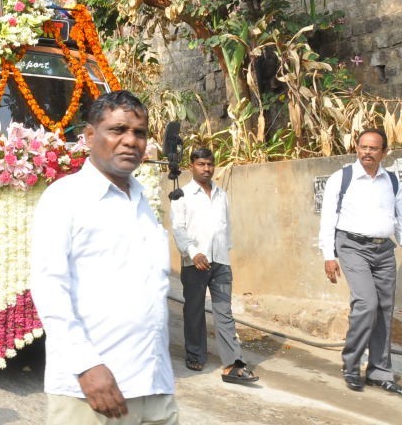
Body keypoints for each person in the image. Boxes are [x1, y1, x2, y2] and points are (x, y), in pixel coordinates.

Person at [31, 90, 177, 424]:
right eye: (118, 130)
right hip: (91, 391)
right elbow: (49, 289)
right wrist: (86, 366)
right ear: (90, 135)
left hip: (154, 386)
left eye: (139, 133)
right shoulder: (65, 198)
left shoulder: (142, 201)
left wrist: (163, 380)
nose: (130, 141)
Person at [319, 128, 402, 396]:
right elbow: (327, 218)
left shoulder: (392, 181)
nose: (367, 152)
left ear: (384, 152)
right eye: (363, 147)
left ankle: (379, 372)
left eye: (373, 148)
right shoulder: (343, 178)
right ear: (357, 148)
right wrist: (329, 255)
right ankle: (351, 364)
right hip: (352, 247)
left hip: (384, 250)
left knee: (385, 309)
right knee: (367, 303)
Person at [171, 148, 258, 384]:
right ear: (192, 166)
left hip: (220, 261)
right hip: (194, 263)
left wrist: (224, 254)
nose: (206, 169)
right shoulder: (182, 194)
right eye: (201, 164)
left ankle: (233, 363)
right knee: (194, 311)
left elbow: (226, 226)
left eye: (210, 164)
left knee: (224, 312)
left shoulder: (221, 194)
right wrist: (192, 253)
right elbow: (178, 229)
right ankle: (195, 354)